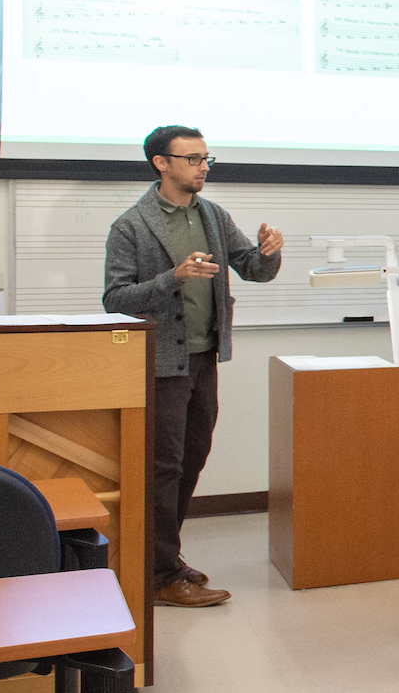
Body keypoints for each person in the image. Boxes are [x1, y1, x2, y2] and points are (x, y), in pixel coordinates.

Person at [101, 126, 282, 610]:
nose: (203, 167)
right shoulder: (132, 226)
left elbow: (254, 268)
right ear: (162, 163)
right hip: (162, 364)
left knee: (192, 459)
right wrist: (171, 277)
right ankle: (159, 573)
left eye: (206, 159)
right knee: (163, 467)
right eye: (193, 159)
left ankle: (166, 559)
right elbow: (114, 299)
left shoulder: (213, 215)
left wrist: (269, 251)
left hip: (204, 359)